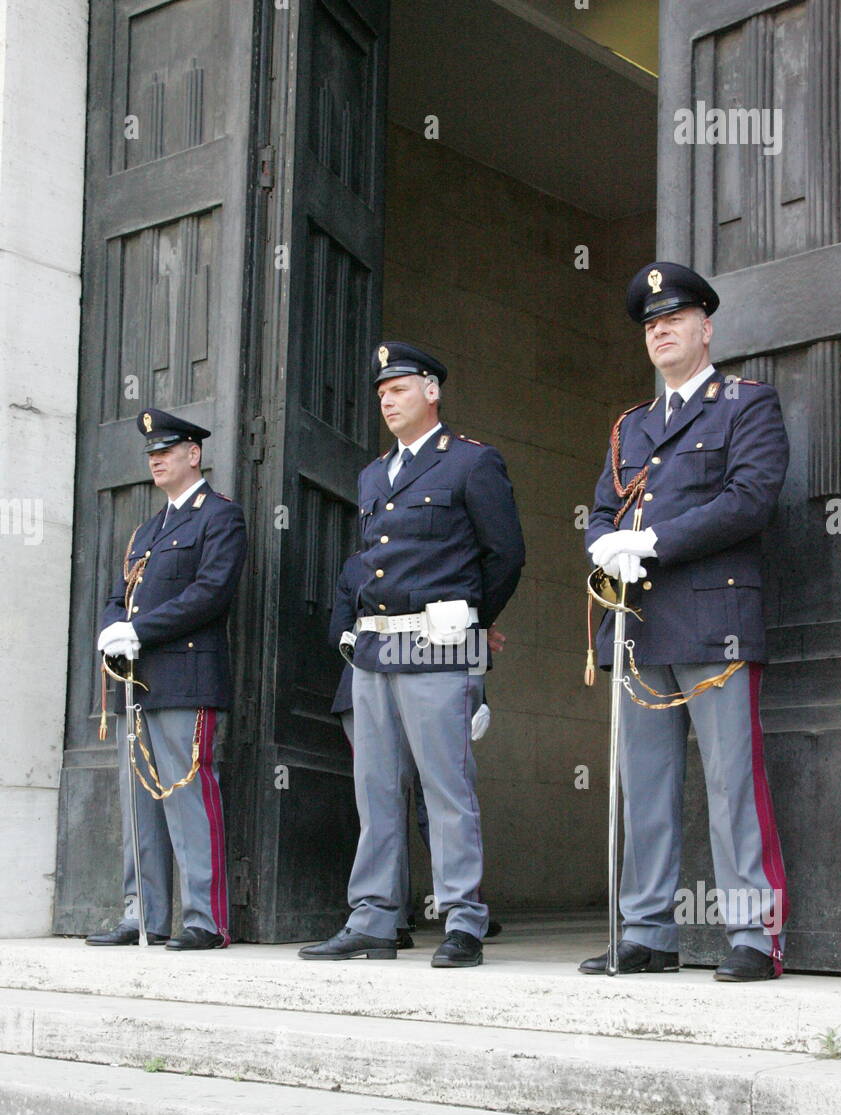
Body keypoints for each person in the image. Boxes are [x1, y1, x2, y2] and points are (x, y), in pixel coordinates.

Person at [581, 262, 789, 982]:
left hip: (714, 620)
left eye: (674, 318)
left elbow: (749, 499)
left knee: (732, 780)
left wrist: (654, 542)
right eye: (650, 323)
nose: (661, 330)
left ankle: (752, 935)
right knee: (646, 784)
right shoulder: (630, 427)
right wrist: (605, 543)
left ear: (706, 326)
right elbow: (603, 510)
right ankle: (648, 932)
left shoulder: (745, 405)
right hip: (638, 627)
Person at [301, 342, 524, 967]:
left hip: (436, 641)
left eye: (398, 388)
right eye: (380, 393)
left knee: (446, 785)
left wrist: (472, 618)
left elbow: (504, 553)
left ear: (432, 391)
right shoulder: (374, 475)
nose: (387, 400)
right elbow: (369, 559)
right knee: (374, 789)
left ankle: (461, 917)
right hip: (377, 644)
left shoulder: (472, 464)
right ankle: (373, 915)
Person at [86, 408, 247, 951]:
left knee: (188, 799)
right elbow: (116, 595)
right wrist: (114, 628)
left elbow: (210, 592)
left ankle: (206, 920)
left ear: (193, 454)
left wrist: (141, 629)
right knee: (141, 805)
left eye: (166, 452)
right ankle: (143, 915)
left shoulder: (219, 517)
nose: (155, 460)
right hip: (137, 682)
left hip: (187, 678)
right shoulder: (148, 529)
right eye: (151, 454)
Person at [328, 551, 504, 947]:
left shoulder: (448, 560)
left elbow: (501, 567)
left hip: (437, 671)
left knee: (440, 795)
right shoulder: (356, 565)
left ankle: (461, 911)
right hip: (368, 682)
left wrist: (474, 624)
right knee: (379, 799)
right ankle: (387, 918)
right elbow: (338, 629)